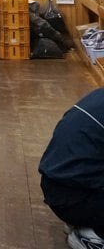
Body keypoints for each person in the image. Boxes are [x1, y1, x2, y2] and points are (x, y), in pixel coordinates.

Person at [39, 87, 104, 249]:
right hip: (75, 198)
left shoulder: (99, 95)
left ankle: (82, 222)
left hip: (58, 187)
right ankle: (94, 235)